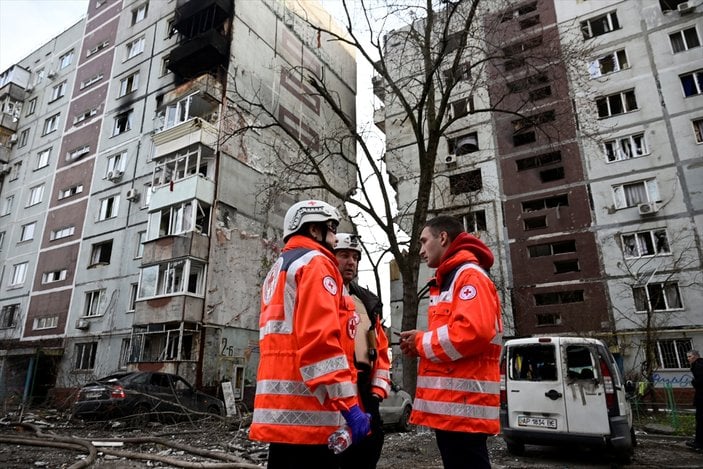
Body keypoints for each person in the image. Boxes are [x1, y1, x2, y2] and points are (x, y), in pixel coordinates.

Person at [249, 200, 370, 469]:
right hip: (310, 415)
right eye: (331, 228)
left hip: (281, 413)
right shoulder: (316, 264)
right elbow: (321, 342)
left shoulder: (279, 268)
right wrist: (349, 406)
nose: (336, 237)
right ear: (314, 230)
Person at [400, 215, 502, 469]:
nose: (421, 251)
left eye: (424, 242)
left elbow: (472, 331)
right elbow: (455, 336)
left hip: (464, 410)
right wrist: (419, 343)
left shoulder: (468, 276)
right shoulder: (454, 277)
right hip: (456, 410)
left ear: (443, 238)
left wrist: (422, 342)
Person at [333, 233, 391, 469]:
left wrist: (377, 392)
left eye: (355, 258)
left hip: (366, 394)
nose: (351, 262)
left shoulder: (366, 301)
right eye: (345, 255)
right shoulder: (324, 294)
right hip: (337, 392)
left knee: (369, 451)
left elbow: (381, 348)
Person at [687, 350, 703, 450]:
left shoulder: (698, 366)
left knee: (701, 420)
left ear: (696, 356)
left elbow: (700, 381)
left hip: (702, 398)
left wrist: (694, 382)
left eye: (690, 356)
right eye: (687, 357)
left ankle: (699, 443)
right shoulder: (700, 364)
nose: (688, 359)